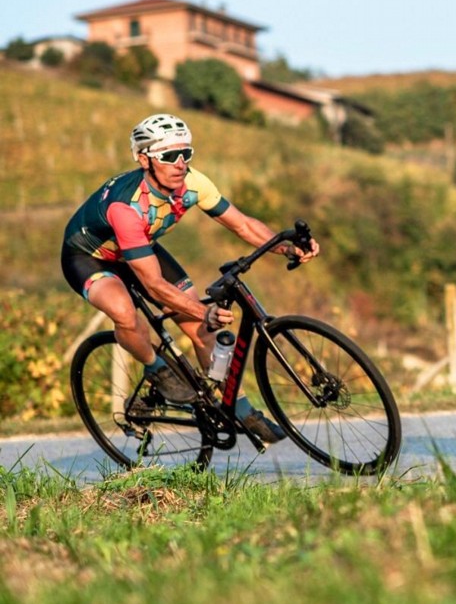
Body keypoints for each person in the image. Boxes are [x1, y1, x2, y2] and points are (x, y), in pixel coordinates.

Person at [60, 113, 320, 442]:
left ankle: (240, 410)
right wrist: (203, 310)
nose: (180, 164)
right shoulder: (125, 207)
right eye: (169, 155)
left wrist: (286, 248)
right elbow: (154, 285)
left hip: (139, 248)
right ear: (144, 159)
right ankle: (156, 369)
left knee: (203, 331)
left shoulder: (194, 184)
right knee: (125, 312)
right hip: (90, 258)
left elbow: (242, 224)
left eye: (186, 153)